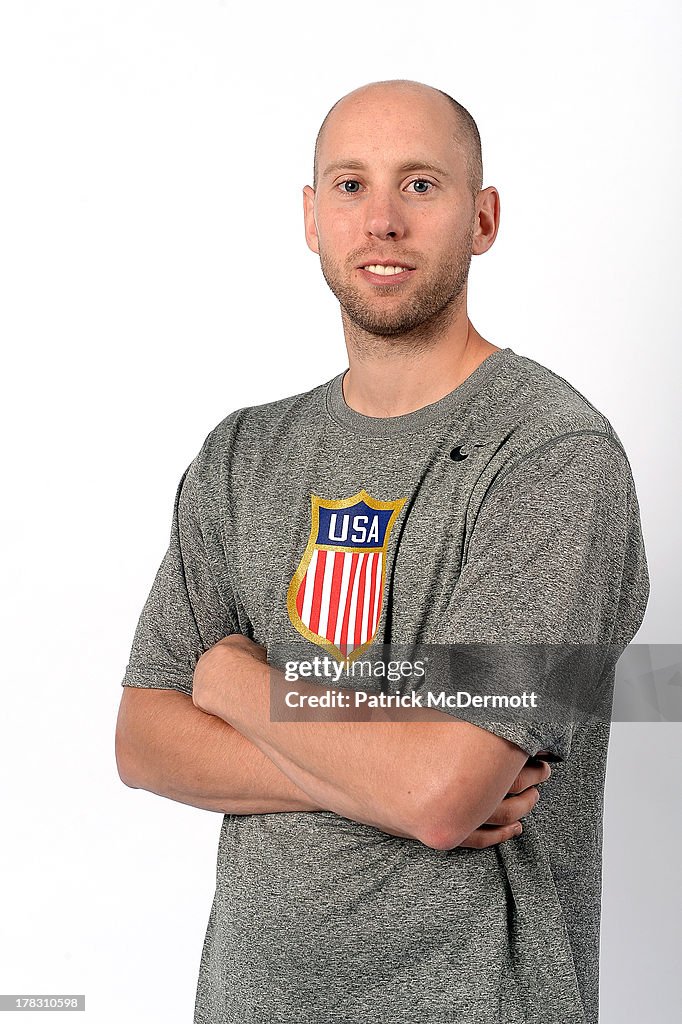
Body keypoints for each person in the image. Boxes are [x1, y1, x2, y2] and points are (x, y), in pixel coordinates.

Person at [115, 79, 649, 1024]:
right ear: (312, 218)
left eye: (421, 185)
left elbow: (443, 792)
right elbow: (143, 741)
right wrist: (391, 771)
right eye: (352, 185)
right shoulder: (243, 455)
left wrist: (238, 687)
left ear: (483, 218)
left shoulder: (551, 455)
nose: (383, 222)